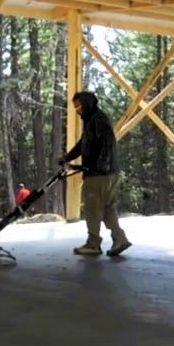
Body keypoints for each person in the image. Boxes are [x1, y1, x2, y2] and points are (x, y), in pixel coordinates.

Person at [60, 91, 131, 257]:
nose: (77, 110)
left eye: (79, 105)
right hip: (107, 172)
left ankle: (93, 244)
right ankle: (119, 238)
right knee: (107, 208)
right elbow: (82, 144)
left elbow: (106, 144)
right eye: (75, 107)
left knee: (92, 208)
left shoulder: (98, 119)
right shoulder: (93, 120)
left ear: (87, 103)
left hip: (99, 174)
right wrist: (67, 158)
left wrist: (95, 167)